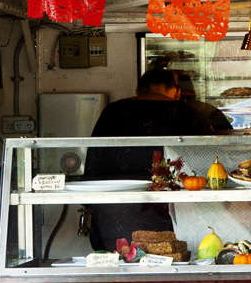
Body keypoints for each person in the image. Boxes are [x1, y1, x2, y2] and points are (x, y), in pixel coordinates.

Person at [83, 68, 229, 253]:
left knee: (122, 262)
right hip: (175, 212)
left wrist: (90, 204)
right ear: (176, 91)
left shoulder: (112, 112)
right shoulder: (189, 113)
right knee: (174, 257)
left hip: (115, 213)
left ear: (139, 89)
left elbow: (93, 164)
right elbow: (208, 163)